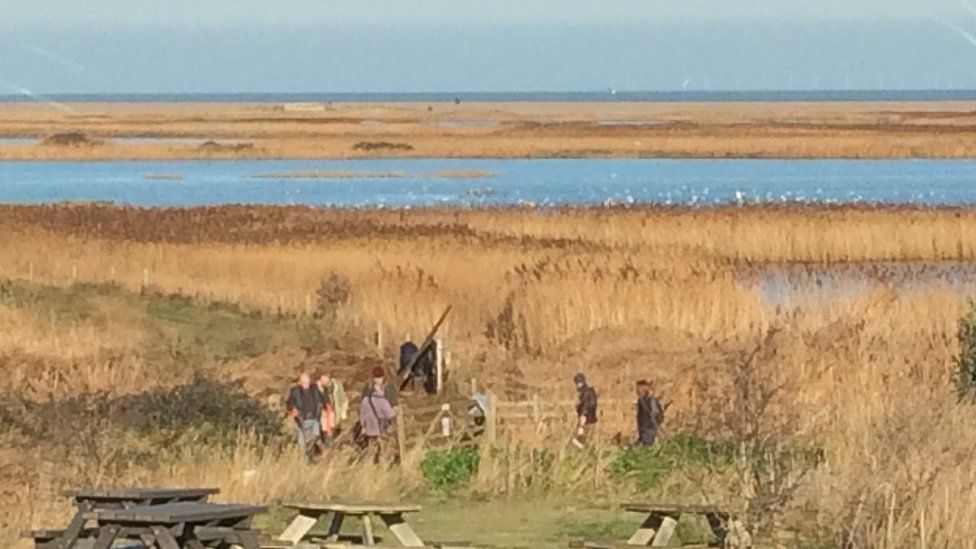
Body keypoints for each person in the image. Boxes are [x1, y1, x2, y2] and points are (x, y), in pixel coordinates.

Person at [358, 367, 398, 463]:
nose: (378, 380)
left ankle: (369, 466)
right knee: (384, 446)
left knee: (372, 446)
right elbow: (392, 411)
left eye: (379, 377)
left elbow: (361, 411)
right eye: (376, 378)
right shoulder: (382, 397)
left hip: (370, 425)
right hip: (383, 424)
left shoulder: (367, 395)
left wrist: (363, 425)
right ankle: (384, 465)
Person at [286, 373, 324, 460]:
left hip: (314, 419)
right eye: (304, 382)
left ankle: (315, 453)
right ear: (300, 382)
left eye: (307, 382)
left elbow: (322, 400)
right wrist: (293, 409)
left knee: (315, 437)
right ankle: (305, 459)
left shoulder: (314, 389)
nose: (306, 384)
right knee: (303, 442)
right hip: (301, 419)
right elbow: (289, 403)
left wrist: (322, 408)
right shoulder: (295, 391)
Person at [635, 379, 664, 447]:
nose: (637, 391)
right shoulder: (641, 401)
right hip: (643, 432)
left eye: (639, 389)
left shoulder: (651, 400)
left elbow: (655, 414)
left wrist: (655, 425)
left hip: (650, 431)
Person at [572, 373, 598, 448]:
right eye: (576, 383)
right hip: (587, 420)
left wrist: (583, 415)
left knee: (579, 440)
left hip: (587, 421)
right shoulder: (586, 393)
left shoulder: (587, 393)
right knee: (580, 440)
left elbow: (588, 405)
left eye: (579, 382)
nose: (577, 385)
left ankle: (584, 451)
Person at [317, 373, 336, 447]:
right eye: (327, 382)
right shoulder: (314, 388)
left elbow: (327, 400)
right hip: (318, 412)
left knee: (330, 417)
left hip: (325, 412)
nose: (328, 384)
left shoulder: (325, 389)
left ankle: (328, 437)